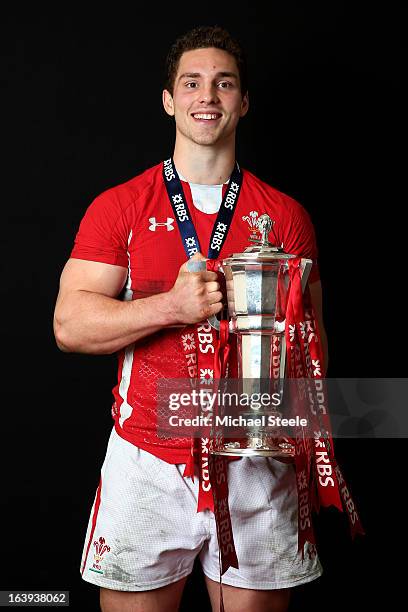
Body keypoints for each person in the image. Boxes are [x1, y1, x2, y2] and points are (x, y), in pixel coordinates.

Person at [53, 25, 328, 612]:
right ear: (169, 99)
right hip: (148, 458)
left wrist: (296, 429)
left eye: (224, 84)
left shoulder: (285, 216)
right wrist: (170, 307)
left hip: (258, 463)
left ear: (244, 101)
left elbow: (314, 345)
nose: (208, 96)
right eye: (193, 83)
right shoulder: (121, 206)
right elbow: (69, 326)